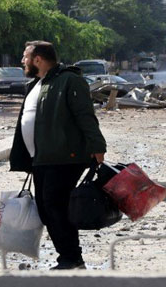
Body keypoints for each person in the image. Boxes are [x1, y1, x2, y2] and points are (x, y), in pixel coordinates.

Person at [9, 41, 107, 270]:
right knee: (45, 208)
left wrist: (97, 146)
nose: (22, 61)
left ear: (38, 59)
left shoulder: (69, 80)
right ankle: (69, 257)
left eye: (25, 57)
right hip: (42, 158)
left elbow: (85, 115)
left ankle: (72, 259)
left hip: (65, 156)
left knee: (56, 206)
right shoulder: (38, 84)